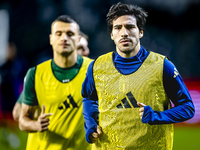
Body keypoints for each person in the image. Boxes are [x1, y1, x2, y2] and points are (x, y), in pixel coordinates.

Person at [82, 2, 195, 150]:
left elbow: (187, 108)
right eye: (118, 28)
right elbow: (89, 98)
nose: (124, 33)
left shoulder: (162, 66)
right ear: (111, 34)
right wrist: (90, 125)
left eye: (130, 27)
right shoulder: (96, 67)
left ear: (140, 32)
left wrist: (156, 116)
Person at [18, 15, 93, 150]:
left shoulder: (94, 70)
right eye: (59, 34)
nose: (64, 38)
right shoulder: (35, 74)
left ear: (78, 39)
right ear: (51, 39)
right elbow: (21, 118)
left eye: (70, 34)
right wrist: (36, 125)